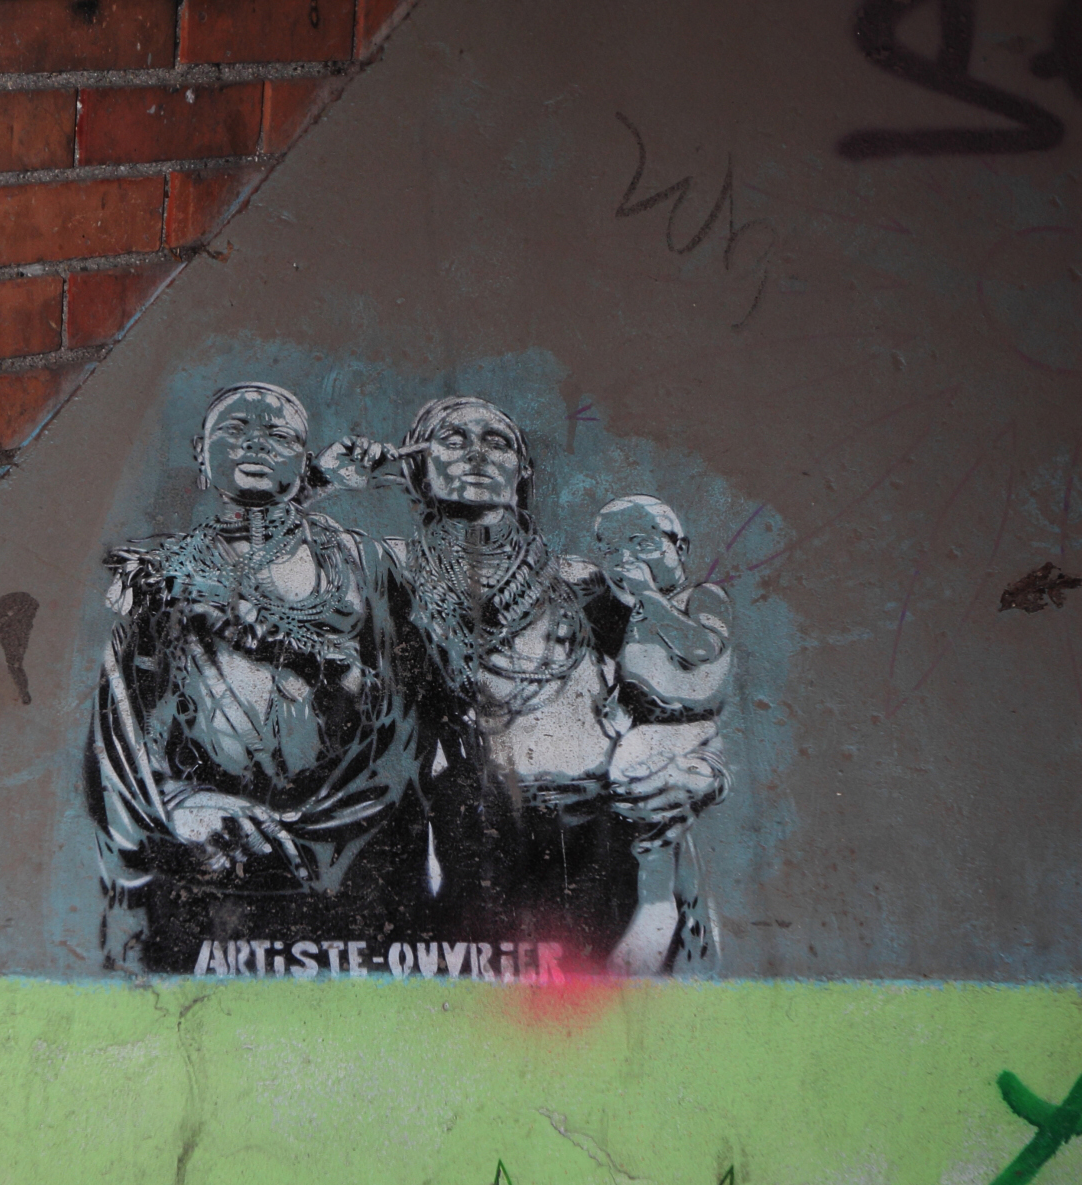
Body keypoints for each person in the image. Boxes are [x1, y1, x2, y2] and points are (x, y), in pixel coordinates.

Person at [317, 398, 729, 971]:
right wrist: (319, 479)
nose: (477, 454)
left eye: (498, 442)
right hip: (472, 840)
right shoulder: (383, 570)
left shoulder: (582, 583)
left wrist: (702, 770)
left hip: (599, 835)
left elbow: (679, 686)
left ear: (522, 474)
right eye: (452, 440)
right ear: (418, 468)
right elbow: (281, 566)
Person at [87, 383, 421, 973]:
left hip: (354, 849)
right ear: (201, 452)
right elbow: (122, 724)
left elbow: (408, 701)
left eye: (278, 435)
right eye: (235, 431)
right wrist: (180, 804)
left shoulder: (363, 562)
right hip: (211, 857)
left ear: (305, 457)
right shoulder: (161, 574)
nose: (255, 445)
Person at [593, 495, 732, 975]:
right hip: (643, 741)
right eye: (611, 551)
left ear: (680, 548)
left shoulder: (701, 597)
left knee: (658, 845)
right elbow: (638, 678)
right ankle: (681, 922)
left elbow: (703, 649)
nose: (625, 560)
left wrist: (649, 597)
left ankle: (656, 925)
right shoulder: (635, 617)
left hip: (686, 738)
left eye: (642, 543)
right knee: (663, 854)